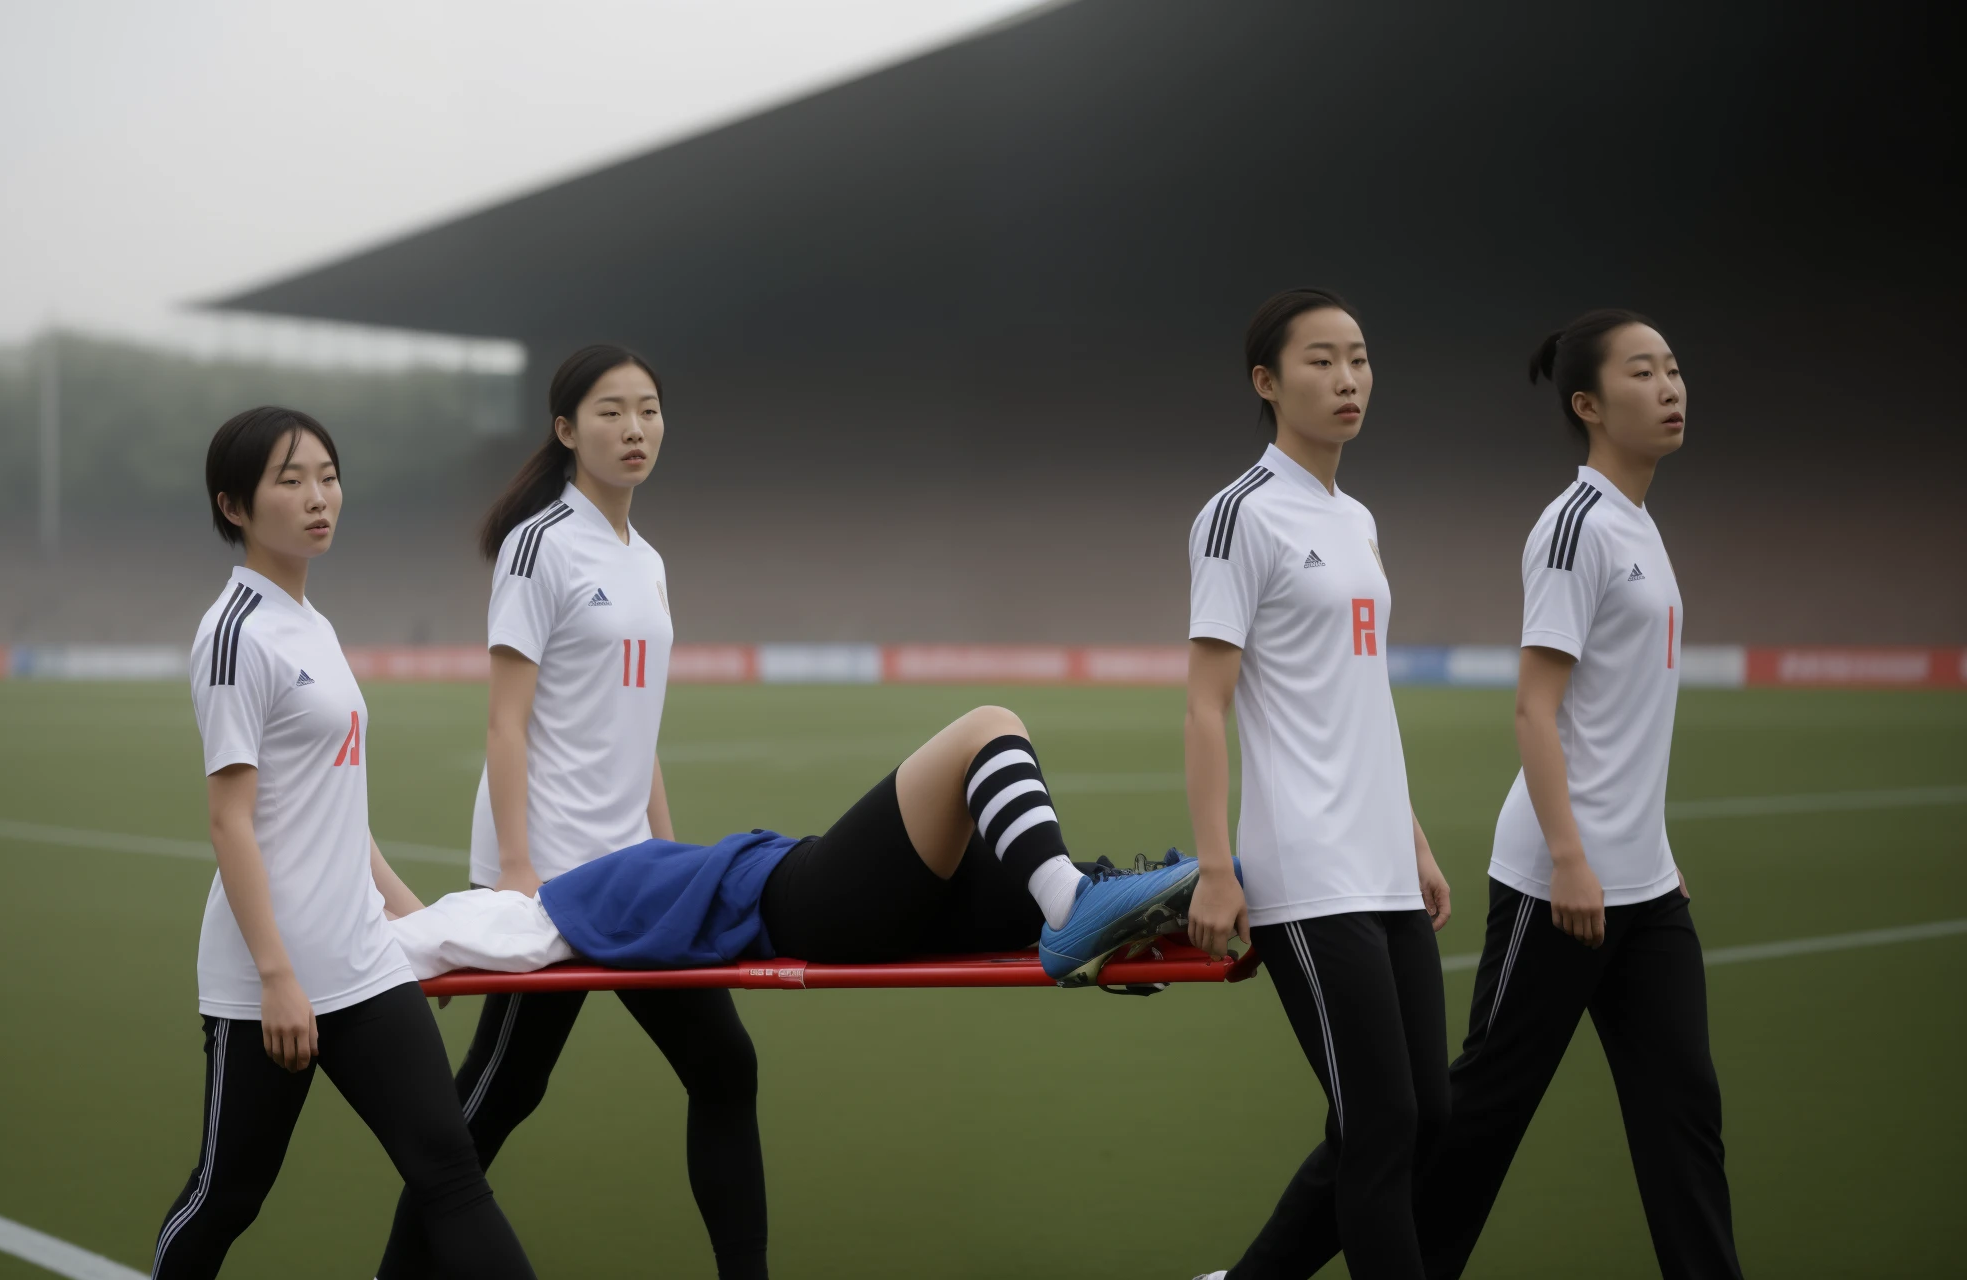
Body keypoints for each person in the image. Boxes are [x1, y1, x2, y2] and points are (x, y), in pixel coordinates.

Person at [377, 343, 773, 1279]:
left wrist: (673, 858)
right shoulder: (537, 546)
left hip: (632, 873)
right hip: (550, 877)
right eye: (609, 412)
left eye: (647, 410)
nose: (634, 429)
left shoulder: (651, 562)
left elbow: (640, 729)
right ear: (565, 431)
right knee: (491, 1104)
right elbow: (505, 725)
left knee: (725, 1066)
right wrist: (517, 876)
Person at [152, 407, 534, 1279]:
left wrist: (420, 926)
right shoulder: (234, 633)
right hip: (269, 981)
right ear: (235, 506)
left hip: (364, 963)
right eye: (290, 481)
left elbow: (338, 816)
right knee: (228, 1197)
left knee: (450, 1174)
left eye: (327, 476)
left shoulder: (311, 624)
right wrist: (279, 980)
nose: (319, 497)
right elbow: (230, 820)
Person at [1411, 312, 1744, 1278]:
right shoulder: (1573, 528)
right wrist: (1569, 859)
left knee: (1686, 1121)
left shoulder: (1640, 525)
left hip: (1644, 892)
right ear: (1589, 405)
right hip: (1560, 887)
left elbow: (1624, 725)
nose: (1672, 387)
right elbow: (1535, 709)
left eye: (1676, 368)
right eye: (1645, 373)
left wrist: (1656, 858)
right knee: (1485, 1114)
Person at [1183, 289, 1454, 1280]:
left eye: (1359, 358)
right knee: (1378, 1122)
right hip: (1304, 865)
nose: (1347, 379)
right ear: (1266, 382)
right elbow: (1204, 704)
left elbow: (1360, 698)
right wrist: (1217, 867)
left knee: (1424, 1115)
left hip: (1380, 859)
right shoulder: (1235, 515)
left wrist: (1413, 838)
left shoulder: (1357, 519)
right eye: (1320, 360)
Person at [384, 704, 1212, 986]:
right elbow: (472, 929)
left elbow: (453, 934)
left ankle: (1127, 903)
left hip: (877, 913)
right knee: (987, 732)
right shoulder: (565, 896)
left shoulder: (625, 877)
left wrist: (421, 937)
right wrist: (410, 936)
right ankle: (1077, 904)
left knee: (1006, 865)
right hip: (805, 898)